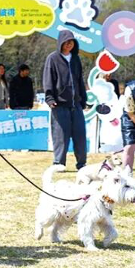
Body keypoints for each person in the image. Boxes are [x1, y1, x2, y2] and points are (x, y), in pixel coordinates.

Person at [43, 30, 88, 171]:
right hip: (59, 104)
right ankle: (59, 163)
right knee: (60, 136)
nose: (69, 45)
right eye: (66, 42)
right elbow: (48, 79)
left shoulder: (76, 59)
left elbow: (80, 80)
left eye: (71, 42)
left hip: (76, 104)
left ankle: (82, 163)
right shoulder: (53, 58)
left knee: (80, 135)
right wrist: (50, 98)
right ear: (60, 43)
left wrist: (83, 98)